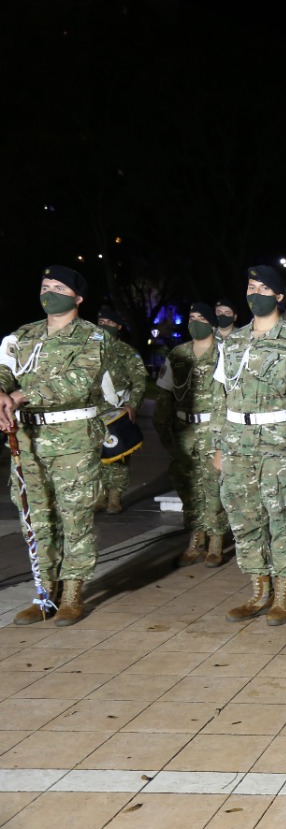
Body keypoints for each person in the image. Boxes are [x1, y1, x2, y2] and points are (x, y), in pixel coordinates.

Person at [0, 266, 108, 626]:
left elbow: (78, 382)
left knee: (74, 517)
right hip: (28, 439)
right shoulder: (23, 335)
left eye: (59, 287)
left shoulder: (92, 337)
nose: (49, 292)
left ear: (77, 298)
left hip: (73, 439)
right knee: (37, 517)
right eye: (45, 285)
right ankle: (45, 594)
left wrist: (20, 395)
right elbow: (4, 369)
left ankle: (74, 594)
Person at [214, 265, 286, 626]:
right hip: (236, 445)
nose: (254, 292)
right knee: (244, 521)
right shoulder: (232, 342)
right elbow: (220, 396)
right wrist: (218, 445)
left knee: (282, 519)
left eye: (263, 287)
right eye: (250, 286)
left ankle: (284, 595)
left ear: (278, 296)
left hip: (279, 444)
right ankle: (258, 592)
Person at [156, 302, 230, 568]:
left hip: (213, 430)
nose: (195, 321)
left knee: (214, 486)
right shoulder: (178, 354)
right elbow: (165, 393)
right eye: (191, 317)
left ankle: (216, 541)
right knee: (188, 487)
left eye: (201, 317)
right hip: (185, 431)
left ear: (212, 323)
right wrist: (162, 428)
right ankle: (195, 538)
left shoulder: (226, 352)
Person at [93, 306, 147, 515]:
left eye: (109, 323)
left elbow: (140, 380)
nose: (104, 326)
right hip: (93, 410)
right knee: (94, 456)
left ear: (118, 327)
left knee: (119, 454)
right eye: (101, 322)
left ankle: (115, 497)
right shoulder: (89, 350)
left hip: (117, 409)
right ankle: (99, 496)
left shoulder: (127, 352)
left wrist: (133, 404)